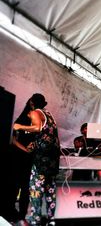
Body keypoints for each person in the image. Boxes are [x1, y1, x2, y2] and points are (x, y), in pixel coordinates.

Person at [13, 93, 60, 226]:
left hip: (41, 159)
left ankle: (35, 220)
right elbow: (46, 134)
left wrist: (20, 127)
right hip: (53, 159)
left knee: (35, 190)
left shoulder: (35, 112)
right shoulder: (49, 115)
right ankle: (51, 220)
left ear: (32, 103)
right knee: (50, 190)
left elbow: (37, 127)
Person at [9, 100, 35, 225]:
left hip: (29, 160)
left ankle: (22, 215)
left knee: (26, 188)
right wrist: (25, 149)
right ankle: (10, 214)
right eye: (32, 114)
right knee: (14, 186)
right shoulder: (20, 121)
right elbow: (14, 141)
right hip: (17, 158)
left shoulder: (37, 125)